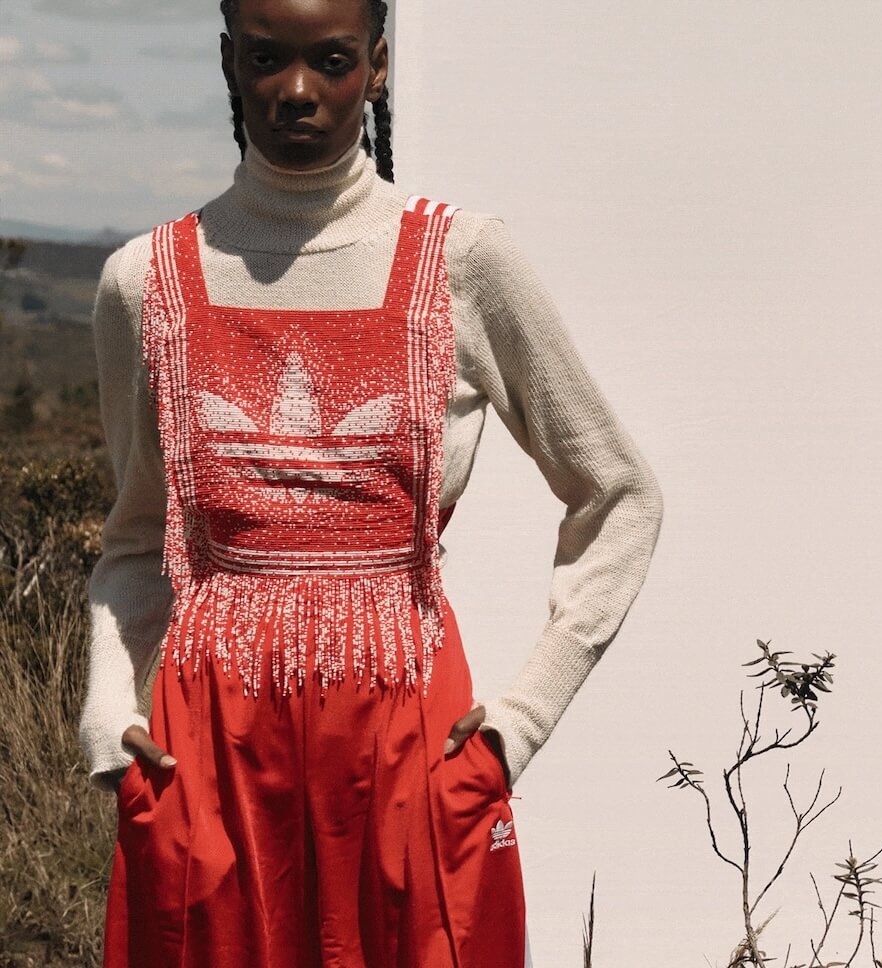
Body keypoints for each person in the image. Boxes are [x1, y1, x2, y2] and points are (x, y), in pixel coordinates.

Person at [76, 0, 664, 964]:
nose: (297, 91)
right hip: (211, 757)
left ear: (378, 66)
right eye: (267, 59)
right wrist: (112, 716)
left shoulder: (463, 261)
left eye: (332, 61)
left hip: (409, 750)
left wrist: (518, 726)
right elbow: (138, 541)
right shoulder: (145, 283)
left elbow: (620, 493)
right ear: (229, 59)